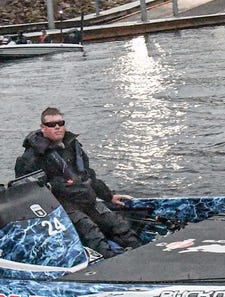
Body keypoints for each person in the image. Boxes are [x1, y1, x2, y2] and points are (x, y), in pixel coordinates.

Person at [15, 107, 140, 257]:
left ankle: (143, 254)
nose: (57, 127)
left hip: (87, 200)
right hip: (63, 207)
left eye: (60, 123)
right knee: (91, 232)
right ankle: (110, 263)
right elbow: (27, 190)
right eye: (51, 124)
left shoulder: (74, 147)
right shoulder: (32, 157)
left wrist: (108, 196)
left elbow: (88, 175)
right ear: (43, 128)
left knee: (118, 226)